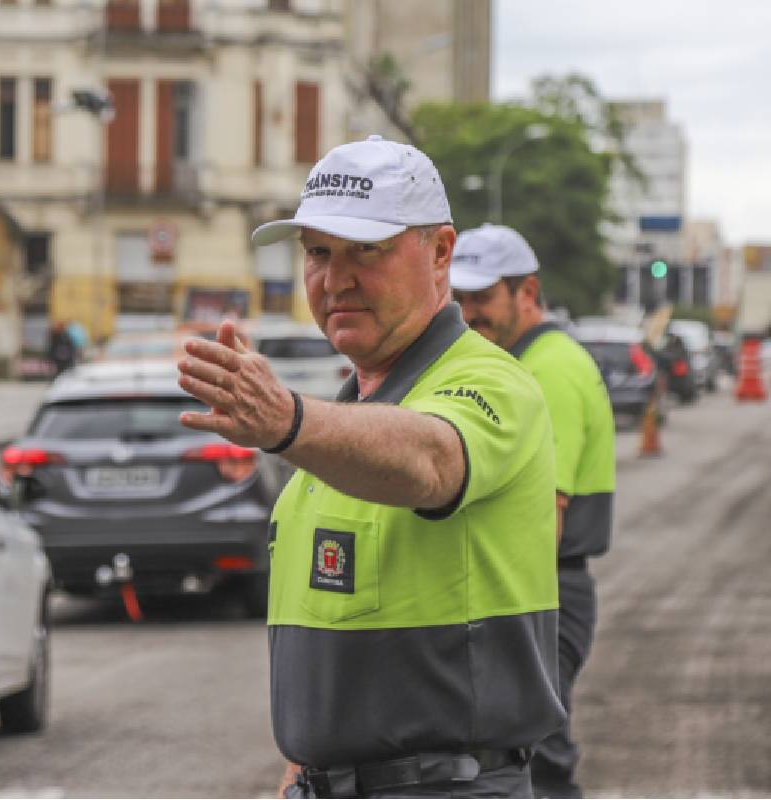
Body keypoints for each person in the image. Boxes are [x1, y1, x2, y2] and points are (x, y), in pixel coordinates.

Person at [176, 135, 563, 798]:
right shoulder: (352, 415)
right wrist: (301, 772)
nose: (335, 279)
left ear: (441, 252)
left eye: (367, 250)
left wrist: (287, 422)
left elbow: (430, 460)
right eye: (319, 252)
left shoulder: (493, 382)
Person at [449, 224, 616, 799]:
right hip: (534, 592)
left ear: (527, 292)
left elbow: (547, 517)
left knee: (534, 760)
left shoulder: (548, 370)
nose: (469, 314)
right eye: (461, 299)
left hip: (540, 593)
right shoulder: (521, 362)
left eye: (484, 298)